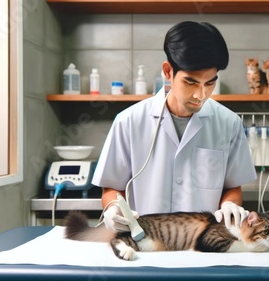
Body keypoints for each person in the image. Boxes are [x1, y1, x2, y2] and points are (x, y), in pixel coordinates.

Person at [92, 21, 257, 232]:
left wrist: (229, 204)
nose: (201, 95)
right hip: (145, 244)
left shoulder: (228, 123)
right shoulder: (129, 121)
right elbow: (112, 188)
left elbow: (233, 186)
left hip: (204, 246)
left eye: (209, 83)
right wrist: (113, 208)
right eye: (191, 82)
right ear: (168, 71)